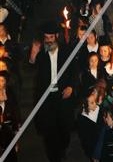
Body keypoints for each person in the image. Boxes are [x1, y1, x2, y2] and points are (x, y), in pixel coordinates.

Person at [29, 21, 75, 162]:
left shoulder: (66, 50)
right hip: (46, 97)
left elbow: (74, 70)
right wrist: (33, 55)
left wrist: (71, 86)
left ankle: (62, 148)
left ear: (56, 36)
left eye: (51, 37)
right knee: (49, 129)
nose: (48, 40)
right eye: (46, 38)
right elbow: (30, 66)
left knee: (63, 127)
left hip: (62, 95)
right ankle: (54, 156)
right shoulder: (40, 51)